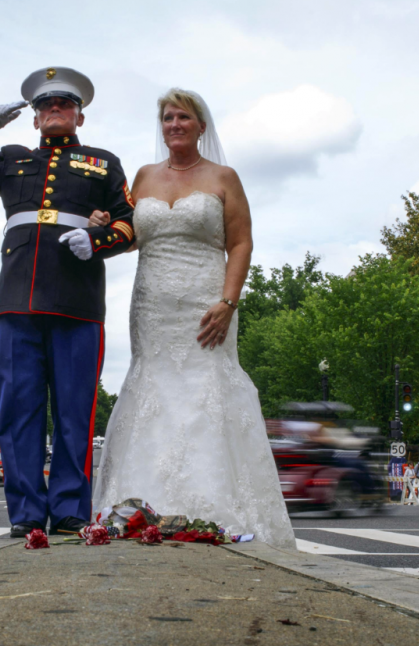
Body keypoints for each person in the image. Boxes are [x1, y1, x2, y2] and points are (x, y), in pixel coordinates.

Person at [0, 67, 136, 539]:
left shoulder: (103, 163)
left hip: (77, 301)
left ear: (79, 117)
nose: (55, 110)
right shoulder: (10, 159)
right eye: (46, 106)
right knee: (18, 412)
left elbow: (130, 222)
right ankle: (25, 511)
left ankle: (68, 508)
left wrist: (100, 241)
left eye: (64, 105)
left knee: (74, 411)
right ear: (35, 118)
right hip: (18, 301)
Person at [90, 89, 295, 548]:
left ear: (202, 126)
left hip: (208, 304)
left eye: (183, 117)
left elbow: (240, 243)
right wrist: (104, 223)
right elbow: (128, 238)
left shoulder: (224, 177)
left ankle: (214, 508)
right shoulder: (142, 177)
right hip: (152, 306)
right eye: (167, 117)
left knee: (207, 388)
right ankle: (140, 512)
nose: (174, 124)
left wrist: (229, 301)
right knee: (154, 386)